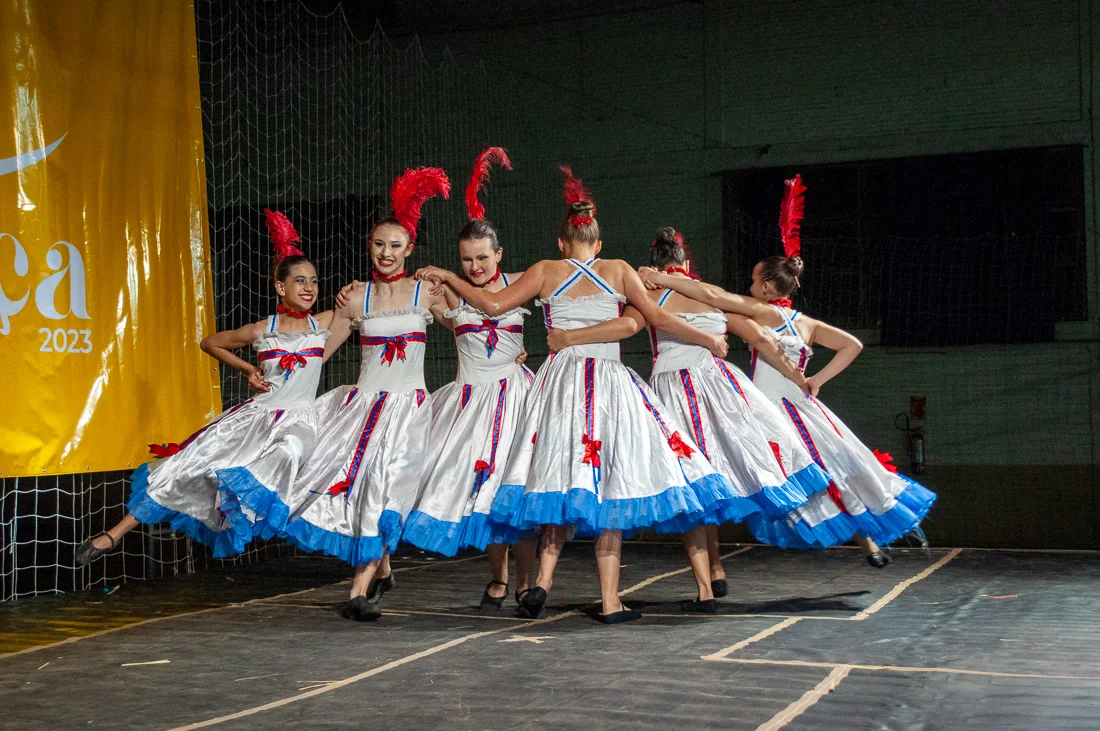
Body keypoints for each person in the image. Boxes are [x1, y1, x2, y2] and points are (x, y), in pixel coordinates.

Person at [415, 166, 735, 624]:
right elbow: (652, 321)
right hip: (608, 384)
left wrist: (448, 275)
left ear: (562, 243)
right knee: (610, 482)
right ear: (597, 244)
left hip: (561, 383)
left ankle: (542, 581)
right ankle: (608, 600)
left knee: (555, 476)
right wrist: (707, 339)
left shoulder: (546, 270)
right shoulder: (618, 269)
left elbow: (490, 305)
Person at [640, 175, 936, 566]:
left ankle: (715, 561)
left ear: (764, 287)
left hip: (772, 408)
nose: (746, 286)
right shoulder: (807, 322)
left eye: (751, 281)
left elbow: (714, 298)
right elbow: (853, 345)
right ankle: (874, 537)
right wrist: (816, 381)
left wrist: (662, 279)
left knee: (783, 474)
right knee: (840, 466)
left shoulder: (760, 311)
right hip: (806, 404)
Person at [549, 226, 832, 610]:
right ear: (685, 262)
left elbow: (634, 324)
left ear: (655, 264)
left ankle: (707, 582)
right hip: (719, 386)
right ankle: (713, 575)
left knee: (693, 486)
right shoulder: (708, 294)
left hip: (673, 392)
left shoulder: (647, 290)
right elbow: (760, 338)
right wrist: (801, 378)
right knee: (720, 474)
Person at [76, 210, 333, 564]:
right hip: (255, 419)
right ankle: (112, 535)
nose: (309, 288)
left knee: (288, 451)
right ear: (280, 286)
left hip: (299, 422)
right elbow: (210, 342)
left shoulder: (325, 324)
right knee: (184, 463)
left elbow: (373, 303)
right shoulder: (261, 329)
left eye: (315, 281)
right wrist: (248, 369)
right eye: (301, 281)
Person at [279, 168, 451, 621]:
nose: (387, 253)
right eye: (379, 245)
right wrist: (276, 362)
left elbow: (469, 325)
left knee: (387, 487)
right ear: (369, 247)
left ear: (410, 249)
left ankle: (358, 589)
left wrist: (509, 347)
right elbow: (321, 348)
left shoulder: (425, 293)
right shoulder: (355, 300)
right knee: (364, 488)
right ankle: (383, 569)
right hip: (365, 409)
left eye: (396, 246)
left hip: (410, 409)